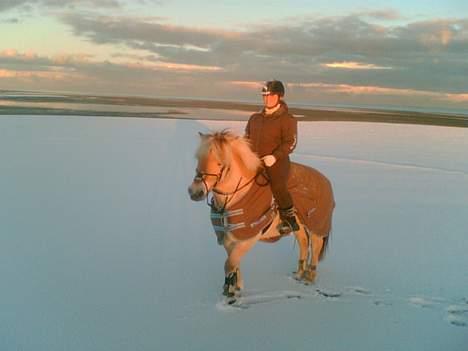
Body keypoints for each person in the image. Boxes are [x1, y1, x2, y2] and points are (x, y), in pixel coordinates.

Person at [244, 80, 300, 235]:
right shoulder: (254, 118)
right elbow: (247, 137)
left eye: (271, 95)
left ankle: (289, 220)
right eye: (265, 96)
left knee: (278, 186)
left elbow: (291, 142)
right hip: (254, 160)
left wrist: (275, 157)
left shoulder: (287, 119)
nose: (267, 99)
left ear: (279, 97)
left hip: (277, 162)